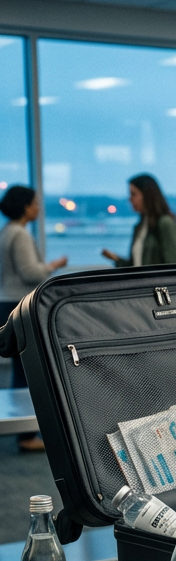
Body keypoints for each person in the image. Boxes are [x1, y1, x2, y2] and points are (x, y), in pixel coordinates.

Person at [0, 185, 67, 451]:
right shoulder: (20, 234)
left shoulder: (6, 231)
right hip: (20, 305)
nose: (38, 208)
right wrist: (54, 266)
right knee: (29, 371)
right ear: (25, 206)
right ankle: (27, 435)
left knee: (19, 371)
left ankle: (23, 431)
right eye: (35, 203)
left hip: (7, 303)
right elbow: (29, 272)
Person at [101, 174, 176, 267]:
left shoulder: (165, 223)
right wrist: (116, 259)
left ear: (147, 195)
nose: (130, 199)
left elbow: (175, 264)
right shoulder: (141, 226)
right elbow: (137, 265)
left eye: (133, 194)